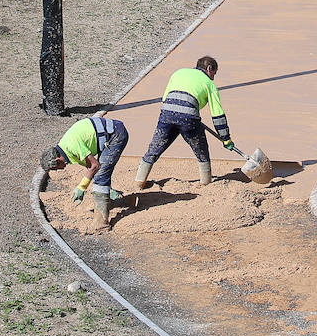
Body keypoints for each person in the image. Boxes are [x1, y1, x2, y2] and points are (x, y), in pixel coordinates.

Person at [134, 56, 241, 190]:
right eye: (214, 73)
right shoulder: (209, 84)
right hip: (189, 118)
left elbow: (165, 98)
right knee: (202, 151)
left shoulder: (179, 73)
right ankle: (206, 183)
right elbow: (217, 115)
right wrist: (226, 138)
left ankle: (139, 182)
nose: (213, 77)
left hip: (167, 114)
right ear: (209, 69)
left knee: (154, 149)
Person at [40, 116, 128, 228]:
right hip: (106, 136)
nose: (60, 170)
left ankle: (101, 224)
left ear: (57, 160)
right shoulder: (66, 149)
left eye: (56, 168)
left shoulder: (72, 146)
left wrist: (82, 187)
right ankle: (110, 196)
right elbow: (91, 167)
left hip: (116, 134)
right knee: (100, 176)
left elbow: (95, 165)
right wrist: (107, 189)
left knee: (101, 177)